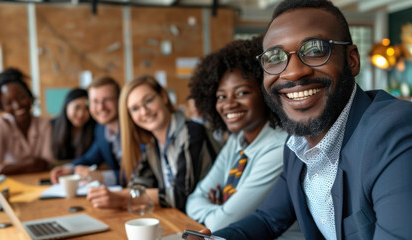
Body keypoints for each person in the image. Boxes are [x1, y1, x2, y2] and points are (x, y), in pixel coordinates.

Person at [191, 0, 412, 239]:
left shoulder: (394, 131)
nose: (294, 72)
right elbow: (268, 220)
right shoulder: (297, 148)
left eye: (316, 50)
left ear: (352, 60)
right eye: (275, 57)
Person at [186, 36, 303, 239]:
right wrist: (221, 211)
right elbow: (193, 200)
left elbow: (219, 223)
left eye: (241, 93)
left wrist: (221, 209)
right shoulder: (236, 141)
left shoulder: (280, 147)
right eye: (221, 96)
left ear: (266, 93)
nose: (229, 104)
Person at [86, 75, 217, 212]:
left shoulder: (191, 132)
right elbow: (139, 183)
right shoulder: (151, 142)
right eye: (135, 108)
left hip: (205, 223)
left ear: (164, 97)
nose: (144, 111)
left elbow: (181, 195)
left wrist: (122, 197)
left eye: (148, 101)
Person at [50, 77, 122, 186]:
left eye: (107, 99)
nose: (101, 107)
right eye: (95, 101)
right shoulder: (101, 129)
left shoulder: (137, 128)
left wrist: (102, 176)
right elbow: (90, 158)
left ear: (120, 100)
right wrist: (69, 169)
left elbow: (141, 175)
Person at [0, 68, 55, 177]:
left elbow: (47, 163)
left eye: (22, 97)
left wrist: (10, 168)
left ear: (29, 96)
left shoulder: (44, 123)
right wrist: (30, 164)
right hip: (13, 186)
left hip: (40, 182)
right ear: (2, 106)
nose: (17, 106)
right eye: (8, 103)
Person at [51, 88, 96, 162]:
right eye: (77, 107)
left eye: (87, 108)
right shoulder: (52, 125)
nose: (81, 113)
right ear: (66, 106)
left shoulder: (96, 128)